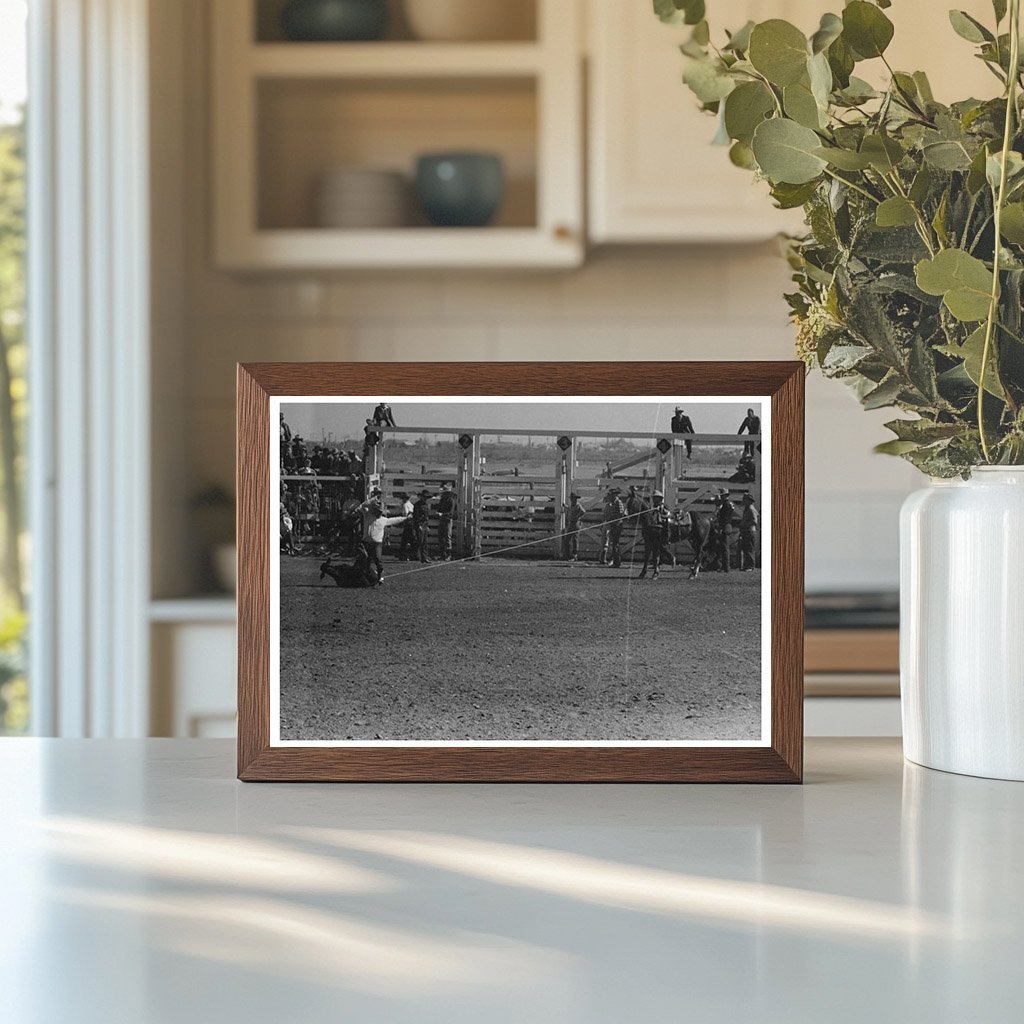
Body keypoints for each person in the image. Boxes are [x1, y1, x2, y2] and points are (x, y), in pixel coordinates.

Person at [356, 497, 409, 586]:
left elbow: (394, 520)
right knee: (365, 559)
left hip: (376, 543)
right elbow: (362, 506)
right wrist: (372, 500)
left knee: (377, 559)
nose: (379, 513)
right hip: (367, 542)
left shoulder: (383, 520)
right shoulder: (368, 515)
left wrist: (405, 518)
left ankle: (379, 576)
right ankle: (366, 576)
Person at [638, 491, 671, 580]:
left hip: (661, 530)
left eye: (656, 498)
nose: (654, 500)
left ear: (660, 499)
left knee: (658, 549)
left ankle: (658, 568)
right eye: (653, 498)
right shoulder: (651, 507)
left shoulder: (664, 506)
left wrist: (660, 510)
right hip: (652, 529)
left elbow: (667, 514)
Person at [601, 488, 626, 567]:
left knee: (615, 543)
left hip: (616, 525)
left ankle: (616, 561)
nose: (611, 496)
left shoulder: (618, 503)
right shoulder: (611, 503)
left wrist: (613, 520)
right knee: (613, 543)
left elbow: (621, 514)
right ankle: (614, 560)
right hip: (612, 525)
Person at [715, 488, 736, 573]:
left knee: (724, 547)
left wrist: (721, 527)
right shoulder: (730, 504)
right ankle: (725, 566)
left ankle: (726, 566)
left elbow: (724, 518)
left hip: (725, 526)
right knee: (724, 547)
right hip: (728, 525)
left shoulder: (725, 505)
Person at [411, 489, 433, 563]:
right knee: (420, 541)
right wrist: (418, 525)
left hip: (424, 523)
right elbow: (416, 516)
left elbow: (426, 516)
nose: (425, 499)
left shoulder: (425, 505)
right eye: (424, 497)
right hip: (420, 523)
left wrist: (427, 525)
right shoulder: (417, 505)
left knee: (424, 541)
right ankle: (418, 555)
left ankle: (424, 556)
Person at [437, 481, 457, 560]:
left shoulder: (449, 499)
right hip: (445, 518)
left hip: (447, 519)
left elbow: (450, 511)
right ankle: (444, 554)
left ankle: (447, 554)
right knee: (443, 536)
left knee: (446, 536)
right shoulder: (446, 499)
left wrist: (441, 513)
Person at [739, 493, 759, 571]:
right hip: (746, 531)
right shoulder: (747, 508)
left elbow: (754, 521)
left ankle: (750, 566)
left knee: (749, 548)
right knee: (746, 549)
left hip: (750, 531)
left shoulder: (751, 509)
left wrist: (744, 524)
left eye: (745, 499)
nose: (744, 501)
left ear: (749, 501)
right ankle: (747, 565)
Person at [564, 492, 585, 561]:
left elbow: (583, 511)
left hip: (575, 523)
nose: (573, 500)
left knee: (574, 540)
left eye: (574, 499)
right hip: (571, 523)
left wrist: (577, 517)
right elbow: (569, 509)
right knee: (567, 539)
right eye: (572, 498)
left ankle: (574, 555)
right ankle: (568, 555)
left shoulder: (577, 505)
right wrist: (565, 506)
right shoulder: (572, 505)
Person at [397, 492, 416, 561]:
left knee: (405, 540)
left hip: (408, 523)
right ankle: (411, 554)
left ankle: (403, 555)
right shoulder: (411, 504)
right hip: (412, 523)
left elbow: (406, 514)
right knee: (411, 539)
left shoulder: (405, 505)